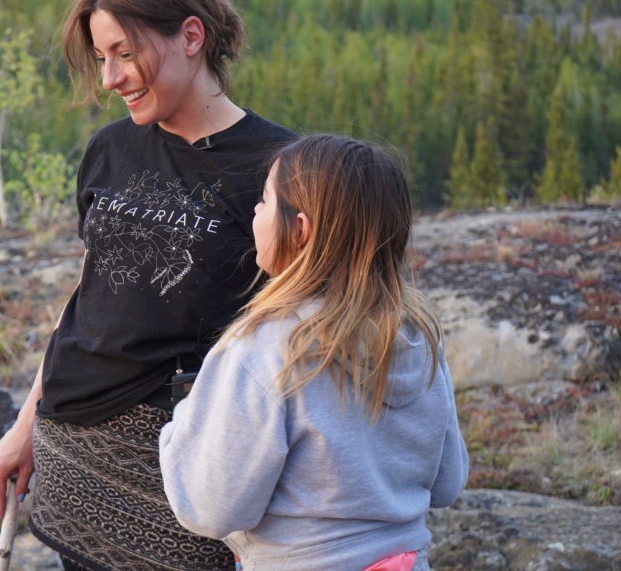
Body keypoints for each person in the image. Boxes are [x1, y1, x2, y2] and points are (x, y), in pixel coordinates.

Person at [0, 0, 297, 570]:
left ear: (190, 35)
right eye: (102, 58)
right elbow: (90, 295)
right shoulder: (110, 148)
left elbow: (296, 333)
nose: (109, 78)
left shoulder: (280, 167)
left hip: (181, 466)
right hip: (70, 449)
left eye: (125, 54)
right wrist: (26, 424)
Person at [159, 134, 469, 571]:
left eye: (264, 201)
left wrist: (179, 430)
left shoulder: (262, 349)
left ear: (300, 230)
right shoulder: (418, 339)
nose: (255, 211)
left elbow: (211, 508)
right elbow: (447, 482)